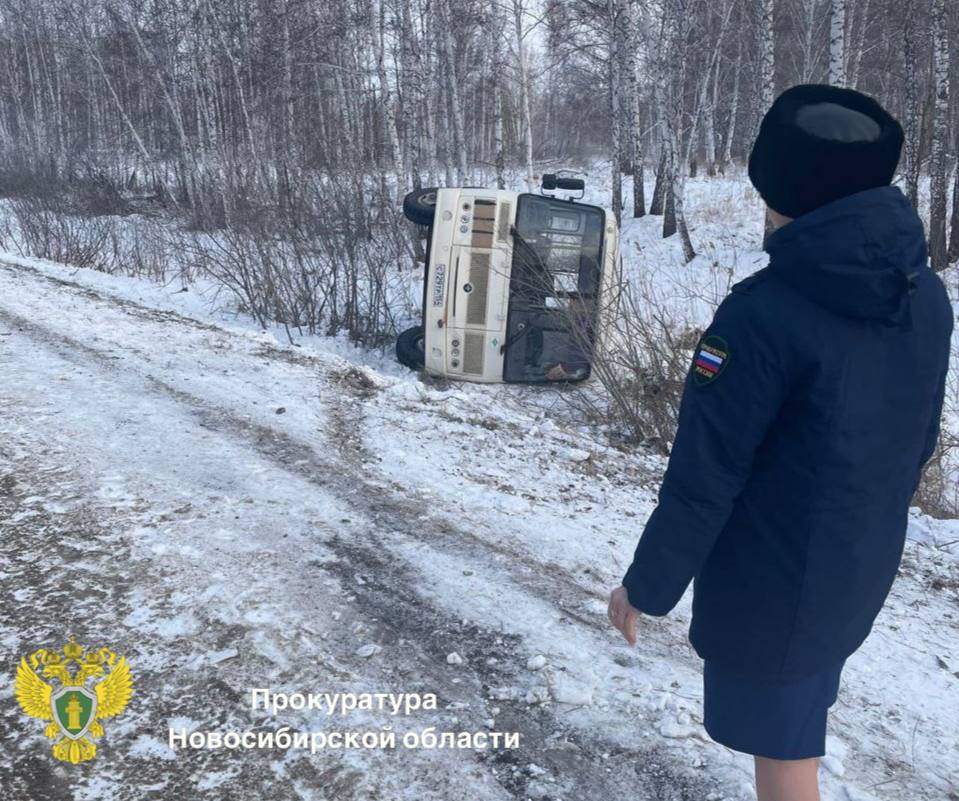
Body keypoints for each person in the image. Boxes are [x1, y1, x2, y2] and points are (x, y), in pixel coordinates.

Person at [607, 84, 954, 801]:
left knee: (785, 755)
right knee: (796, 722)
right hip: (856, 561)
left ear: (780, 185)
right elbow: (916, 436)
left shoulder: (761, 318)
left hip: (773, 583)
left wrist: (645, 585)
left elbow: (705, 475)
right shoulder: (920, 293)